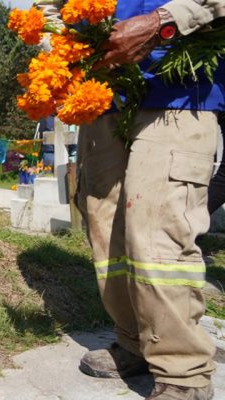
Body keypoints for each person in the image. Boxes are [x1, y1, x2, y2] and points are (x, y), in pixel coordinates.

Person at [35, 1, 225, 399]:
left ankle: (183, 371)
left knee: (159, 233)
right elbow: (47, 7)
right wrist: (68, 48)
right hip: (103, 96)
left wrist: (163, 23)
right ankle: (136, 340)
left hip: (180, 91)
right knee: (108, 229)